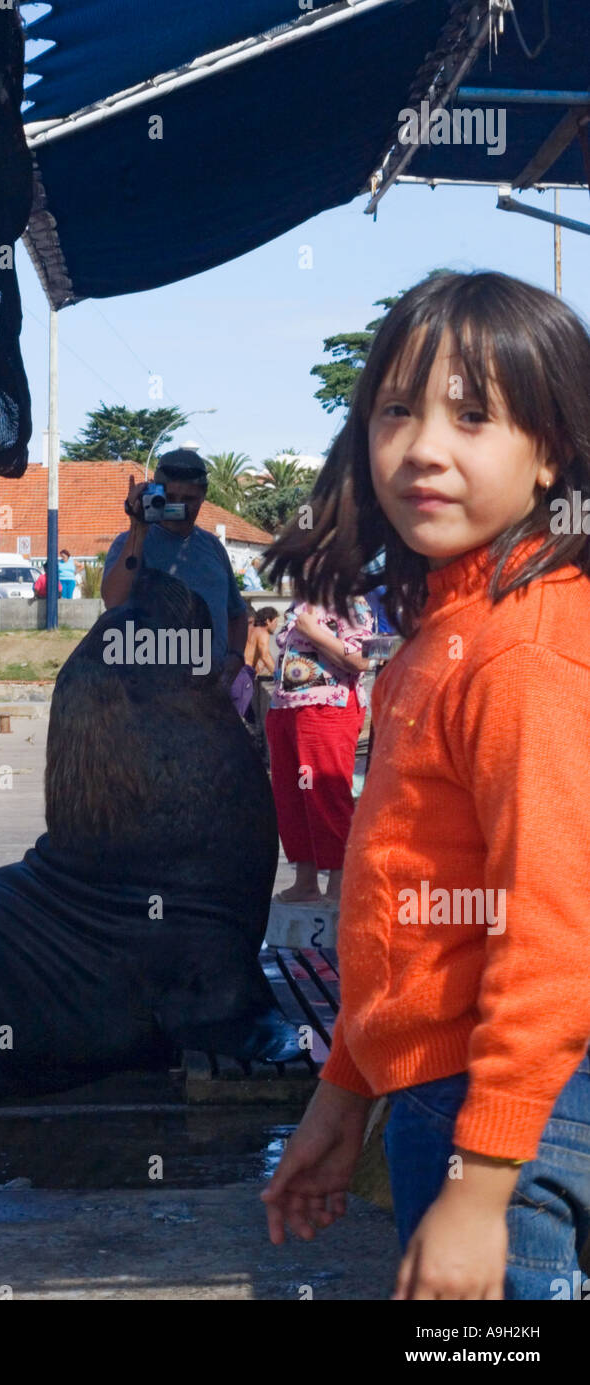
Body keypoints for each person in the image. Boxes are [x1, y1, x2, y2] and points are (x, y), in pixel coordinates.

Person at [260, 269, 590, 1301]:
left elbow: (550, 934)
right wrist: (341, 1098)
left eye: (472, 415)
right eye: (394, 409)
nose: (421, 448)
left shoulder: (521, 653)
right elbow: (413, 922)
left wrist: (482, 1187)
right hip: (451, 1100)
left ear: (548, 456)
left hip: (512, 1115)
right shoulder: (442, 634)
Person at [101, 448, 248, 681]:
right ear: (155, 492)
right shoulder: (130, 543)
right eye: (169, 498)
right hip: (148, 689)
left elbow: (237, 613)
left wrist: (236, 657)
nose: (179, 506)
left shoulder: (213, 547)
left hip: (208, 690)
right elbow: (113, 601)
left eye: (189, 499)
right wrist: (138, 528)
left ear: (203, 497)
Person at [266, 595, 373, 903]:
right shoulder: (300, 602)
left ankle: (340, 883)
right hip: (285, 708)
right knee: (290, 800)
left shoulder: (350, 599)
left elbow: (361, 660)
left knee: (327, 795)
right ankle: (306, 881)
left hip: (328, 707)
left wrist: (314, 632)